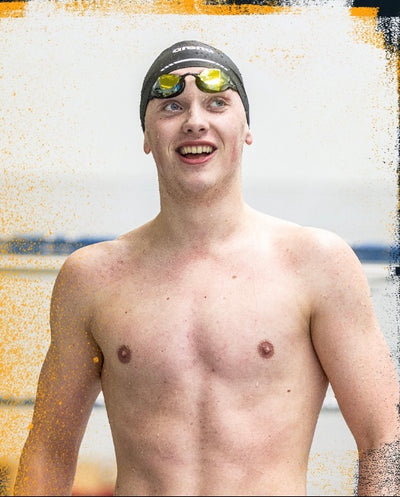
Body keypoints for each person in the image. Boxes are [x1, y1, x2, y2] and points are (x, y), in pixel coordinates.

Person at [14, 40, 399, 496]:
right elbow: (49, 450)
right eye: (171, 106)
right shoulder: (91, 278)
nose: (195, 121)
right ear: (146, 136)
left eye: (217, 103)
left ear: (246, 128)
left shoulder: (317, 264)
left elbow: (384, 439)